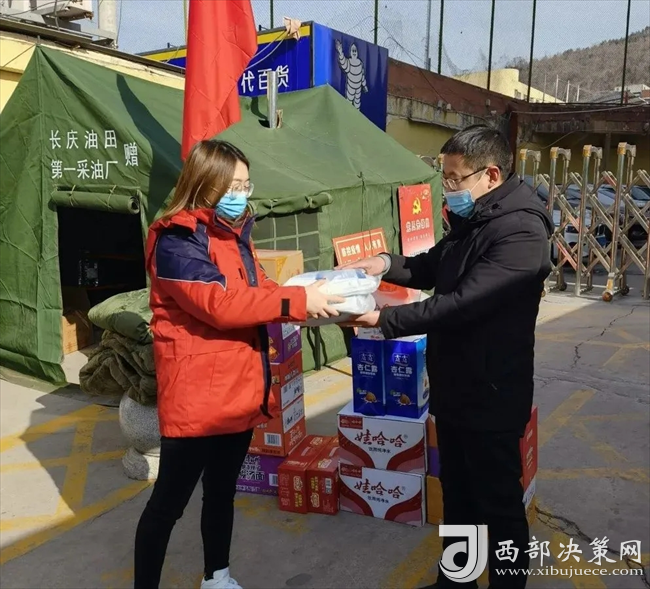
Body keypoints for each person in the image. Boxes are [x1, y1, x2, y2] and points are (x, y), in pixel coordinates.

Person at [343, 125, 553, 588]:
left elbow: (463, 303)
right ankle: (455, 583)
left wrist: (383, 319)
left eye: (456, 178)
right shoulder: (477, 217)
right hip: (455, 386)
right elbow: (431, 266)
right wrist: (382, 263)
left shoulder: (521, 230)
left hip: (491, 391)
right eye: (446, 177)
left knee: (497, 504)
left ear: (491, 174)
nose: (449, 187)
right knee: (458, 495)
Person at [134, 139, 343, 589]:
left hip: (237, 390)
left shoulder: (234, 236)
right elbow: (221, 305)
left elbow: (260, 289)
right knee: (167, 505)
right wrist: (298, 301)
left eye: (246, 185)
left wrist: (313, 296)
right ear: (205, 183)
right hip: (197, 399)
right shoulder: (177, 239)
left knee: (222, 492)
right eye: (232, 186)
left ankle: (217, 576)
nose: (241, 194)